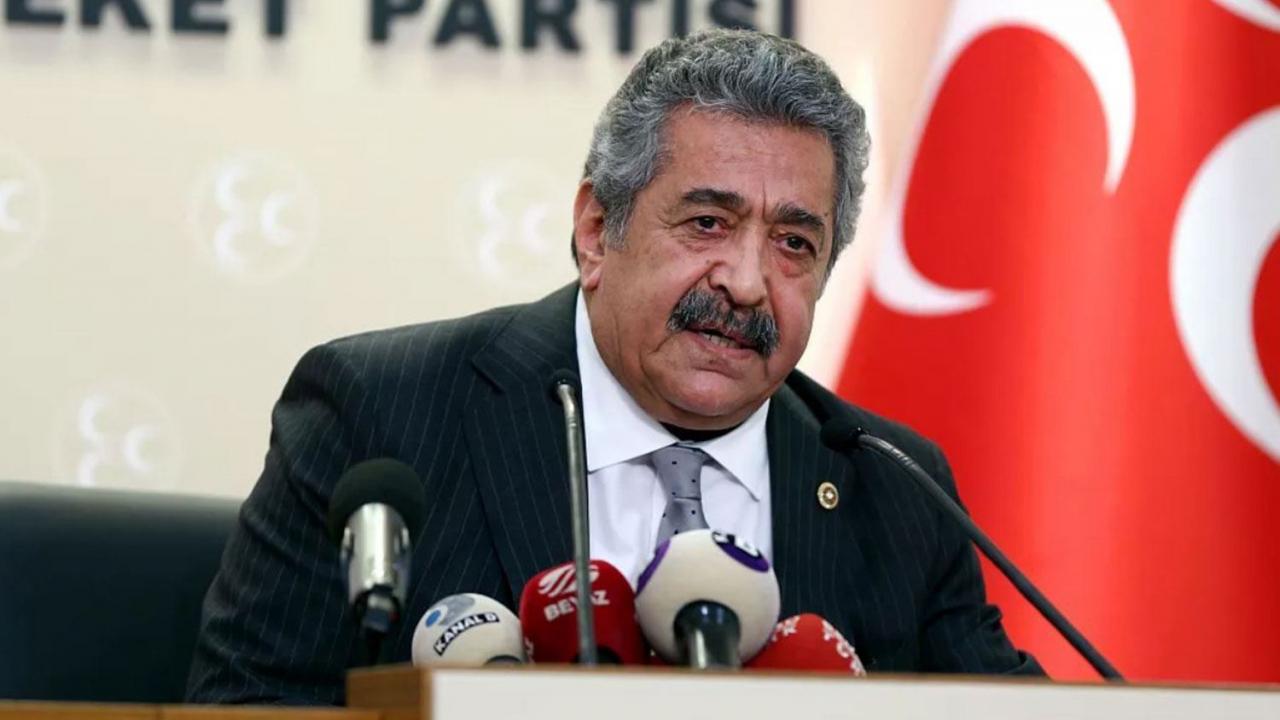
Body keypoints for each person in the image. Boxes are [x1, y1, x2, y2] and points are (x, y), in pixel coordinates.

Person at [187, 28, 1041, 705]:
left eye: (793, 243)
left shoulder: (892, 487)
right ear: (597, 232)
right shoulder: (378, 415)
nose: (747, 283)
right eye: (707, 223)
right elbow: (250, 705)